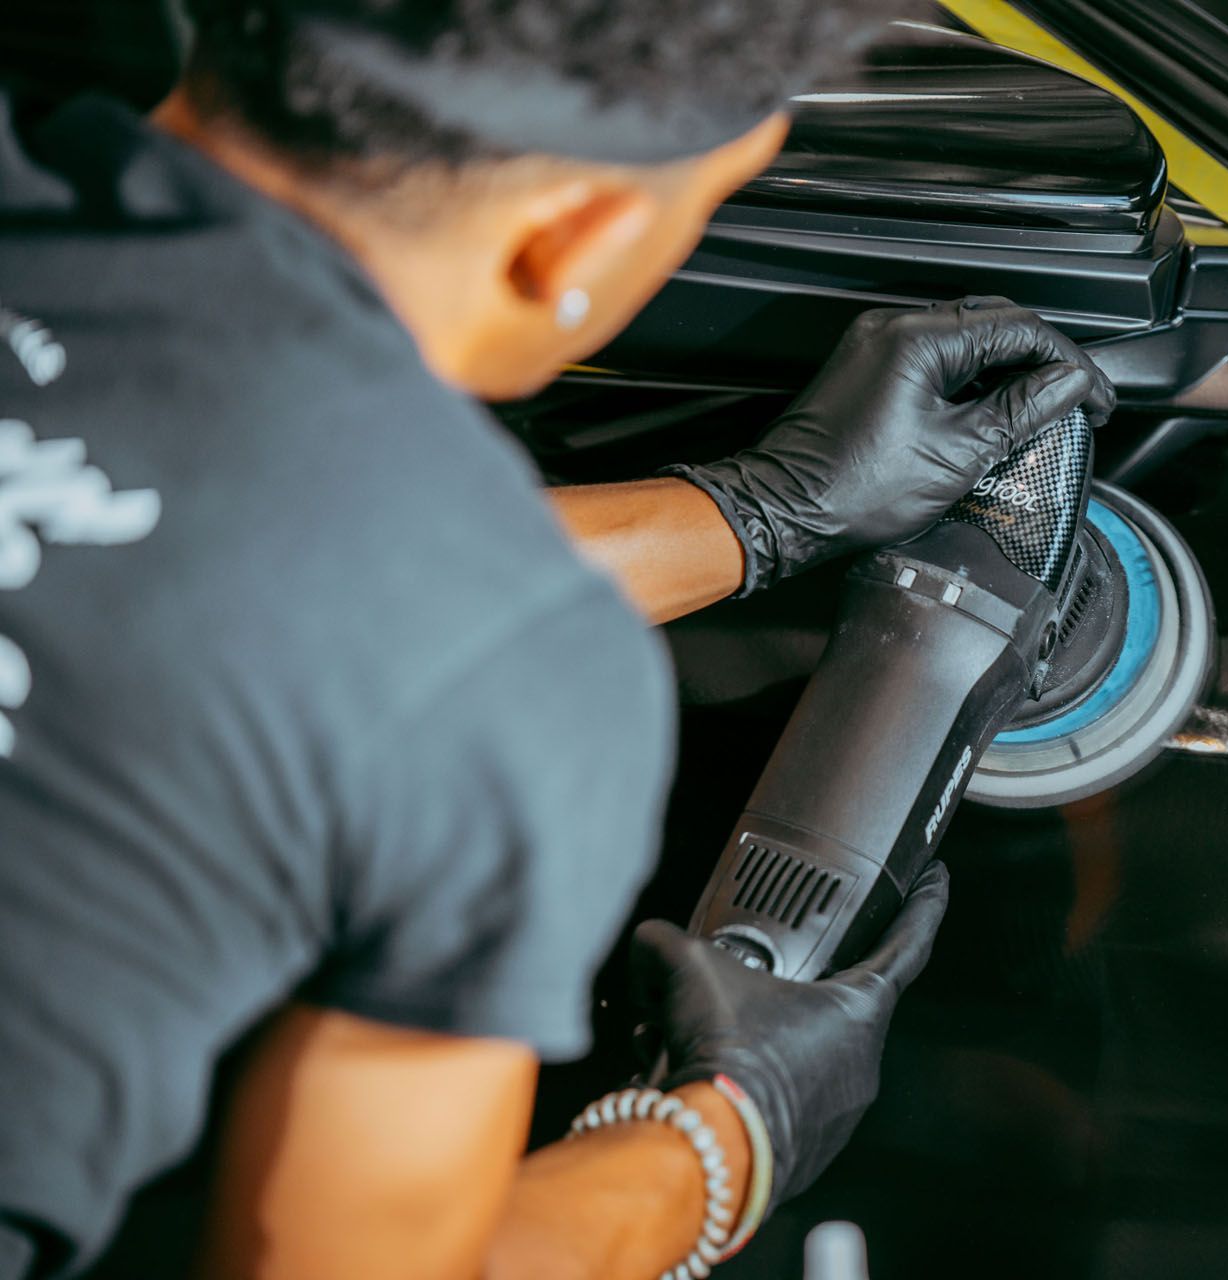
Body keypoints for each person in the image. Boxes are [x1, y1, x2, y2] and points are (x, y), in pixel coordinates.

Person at [0, 2, 1115, 1277]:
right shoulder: (522, 685)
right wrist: (724, 1133)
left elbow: (192, 551)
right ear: (577, 233)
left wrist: (758, 512)